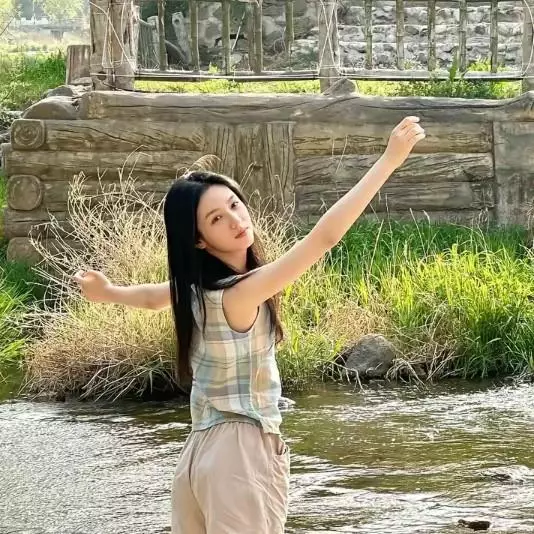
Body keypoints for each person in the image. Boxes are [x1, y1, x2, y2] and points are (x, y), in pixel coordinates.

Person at [74, 116, 425, 533]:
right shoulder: (240, 293)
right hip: (239, 454)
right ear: (199, 240)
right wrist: (388, 161)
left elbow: (152, 297)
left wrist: (109, 292)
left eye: (234, 205)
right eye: (216, 219)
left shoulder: (194, 291)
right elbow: (324, 238)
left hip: (197, 456)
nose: (235, 219)